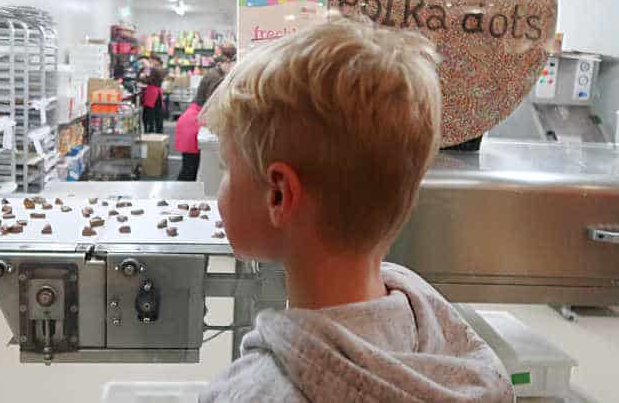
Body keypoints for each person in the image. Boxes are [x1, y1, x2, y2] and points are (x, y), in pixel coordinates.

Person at [199, 20, 513, 402]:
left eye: (229, 167)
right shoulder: (438, 335)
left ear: (279, 196)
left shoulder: (254, 393)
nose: (224, 182)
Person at [174, 50, 237, 181]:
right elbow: (212, 103)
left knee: (190, 166)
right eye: (231, 64)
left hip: (194, 117)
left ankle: (181, 195)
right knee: (189, 168)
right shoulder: (217, 78)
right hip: (194, 121)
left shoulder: (215, 74)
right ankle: (178, 197)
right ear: (223, 63)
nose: (232, 67)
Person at [141, 67, 164, 133]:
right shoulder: (157, 71)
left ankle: (150, 129)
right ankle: (159, 130)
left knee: (149, 113)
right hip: (158, 92)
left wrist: (143, 77)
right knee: (158, 113)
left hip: (152, 93)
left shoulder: (150, 70)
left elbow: (146, 80)